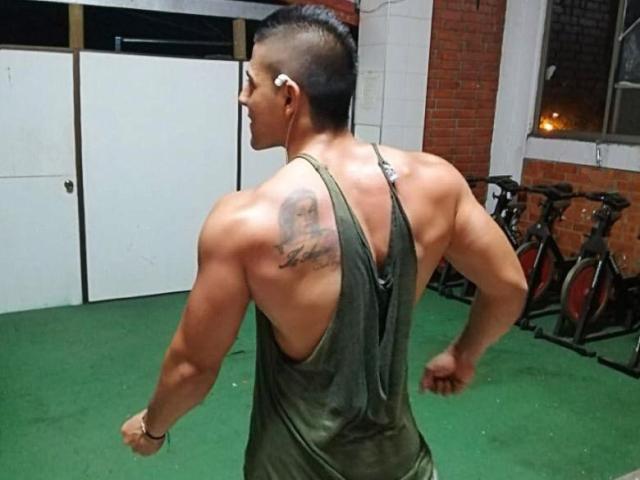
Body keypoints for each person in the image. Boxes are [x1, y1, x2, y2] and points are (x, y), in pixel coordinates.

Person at [121, 5, 528, 479]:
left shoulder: (245, 221)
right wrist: (463, 354)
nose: (242, 97)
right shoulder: (438, 182)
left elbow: (193, 367)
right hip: (405, 468)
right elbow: (509, 287)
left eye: (251, 83)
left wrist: (151, 429)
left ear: (289, 96)